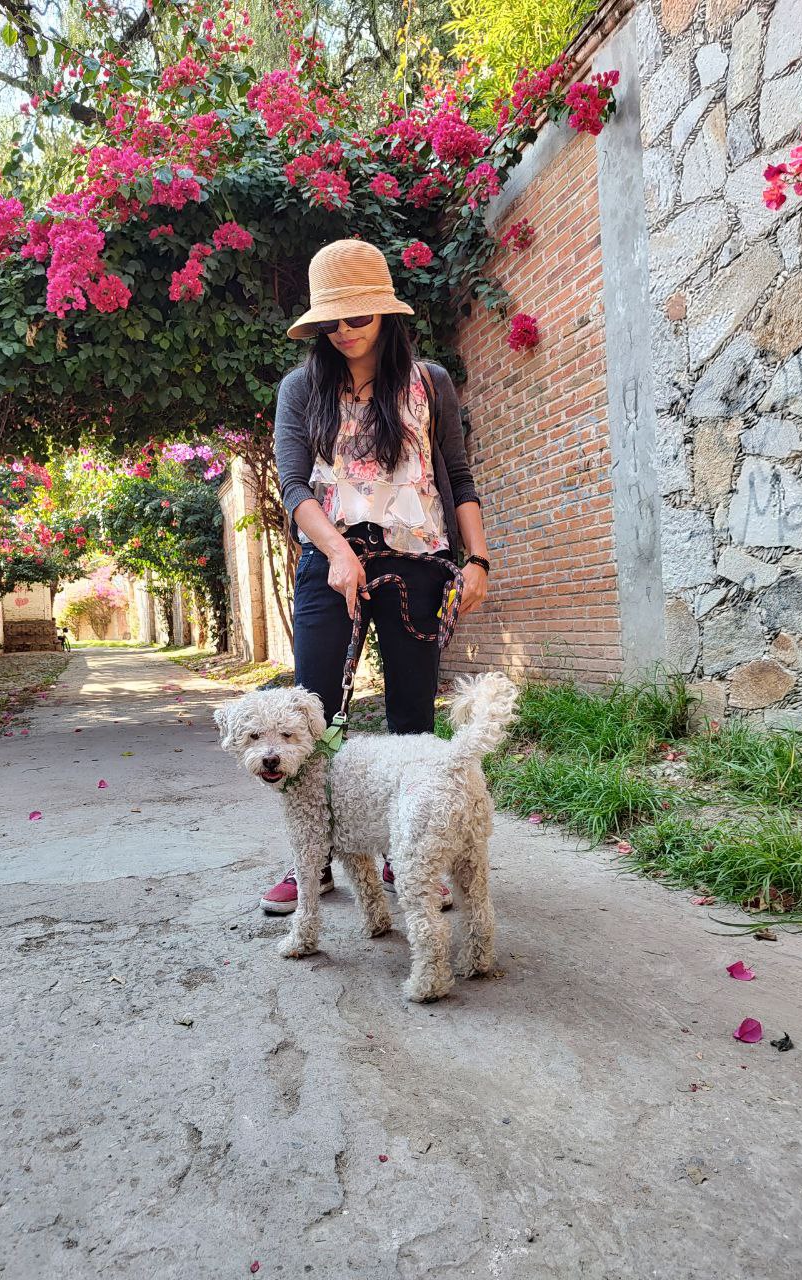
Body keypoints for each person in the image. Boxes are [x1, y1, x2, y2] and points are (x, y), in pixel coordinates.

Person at [260, 238, 491, 914]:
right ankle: (310, 865)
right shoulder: (303, 389)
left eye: (357, 316)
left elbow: (461, 477)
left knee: (413, 717)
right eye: (333, 319)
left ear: (386, 316)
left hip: (417, 564)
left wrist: (477, 559)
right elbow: (294, 484)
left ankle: (407, 854)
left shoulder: (429, 384)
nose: (345, 330)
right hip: (330, 563)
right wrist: (336, 552)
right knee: (312, 715)